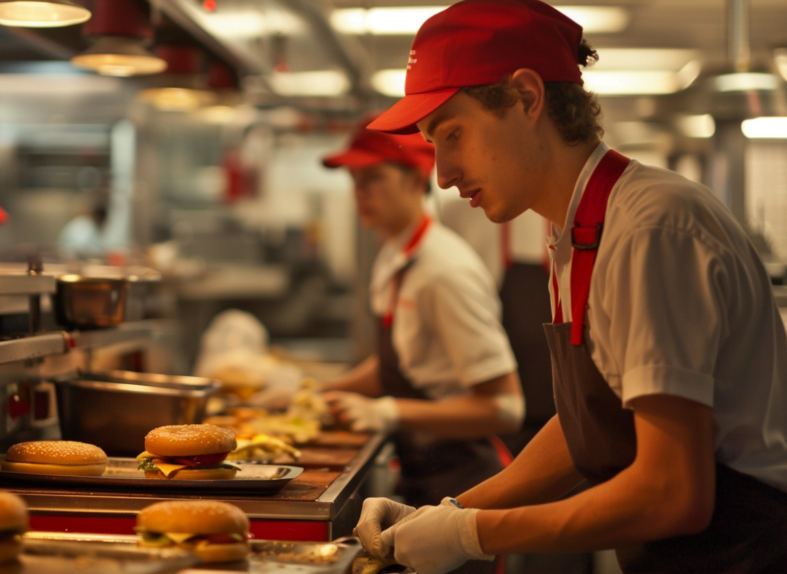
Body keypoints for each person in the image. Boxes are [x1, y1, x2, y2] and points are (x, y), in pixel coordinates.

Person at [354, 1, 787, 573]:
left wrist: (472, 533)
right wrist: (443, 511)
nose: (443, 173)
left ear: (527, 97)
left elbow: (672, 491)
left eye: (453, 133)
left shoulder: (651, 228)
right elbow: (591, 421)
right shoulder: (576, 230)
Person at [319, 115, 525, 543]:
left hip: (467, 485)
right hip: (422, 474)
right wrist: (319, 392)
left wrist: (389, 411)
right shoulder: (394, 256)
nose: (359, 194)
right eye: (354, 180)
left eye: (372, 178)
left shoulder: (443, 270)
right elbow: (400, 365)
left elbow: (506, 408)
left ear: (416, 180)